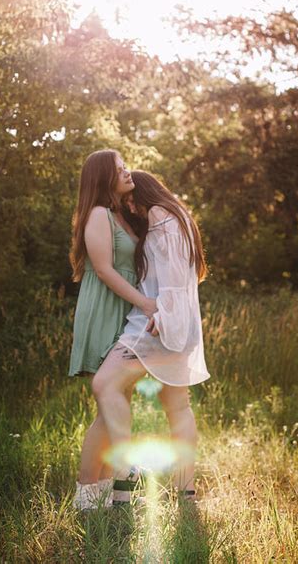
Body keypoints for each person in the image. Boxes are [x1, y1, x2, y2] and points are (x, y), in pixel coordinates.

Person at [92, 170, 210, 501]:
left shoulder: (160, 213)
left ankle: (125, 472)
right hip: (180, 324)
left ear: (148, 192)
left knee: (104, 384)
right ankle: (185, 492)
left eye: (132, 198)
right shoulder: (180, 216)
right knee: (178, 407)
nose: (130, 206)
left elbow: (172, 277)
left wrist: (162, 315)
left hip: (157, 324)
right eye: (126, 201)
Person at [69, 151, 157, 510]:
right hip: (106, 308)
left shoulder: (123, 214)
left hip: (127, 309)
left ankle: (99, 490)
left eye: (125, 164)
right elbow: (104, 269)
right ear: (103, 177)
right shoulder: (98, 215)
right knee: (111, 398)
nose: (126, 169)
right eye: (118, 167)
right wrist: (146, 303)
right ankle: (89, 491)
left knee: (115, 400)